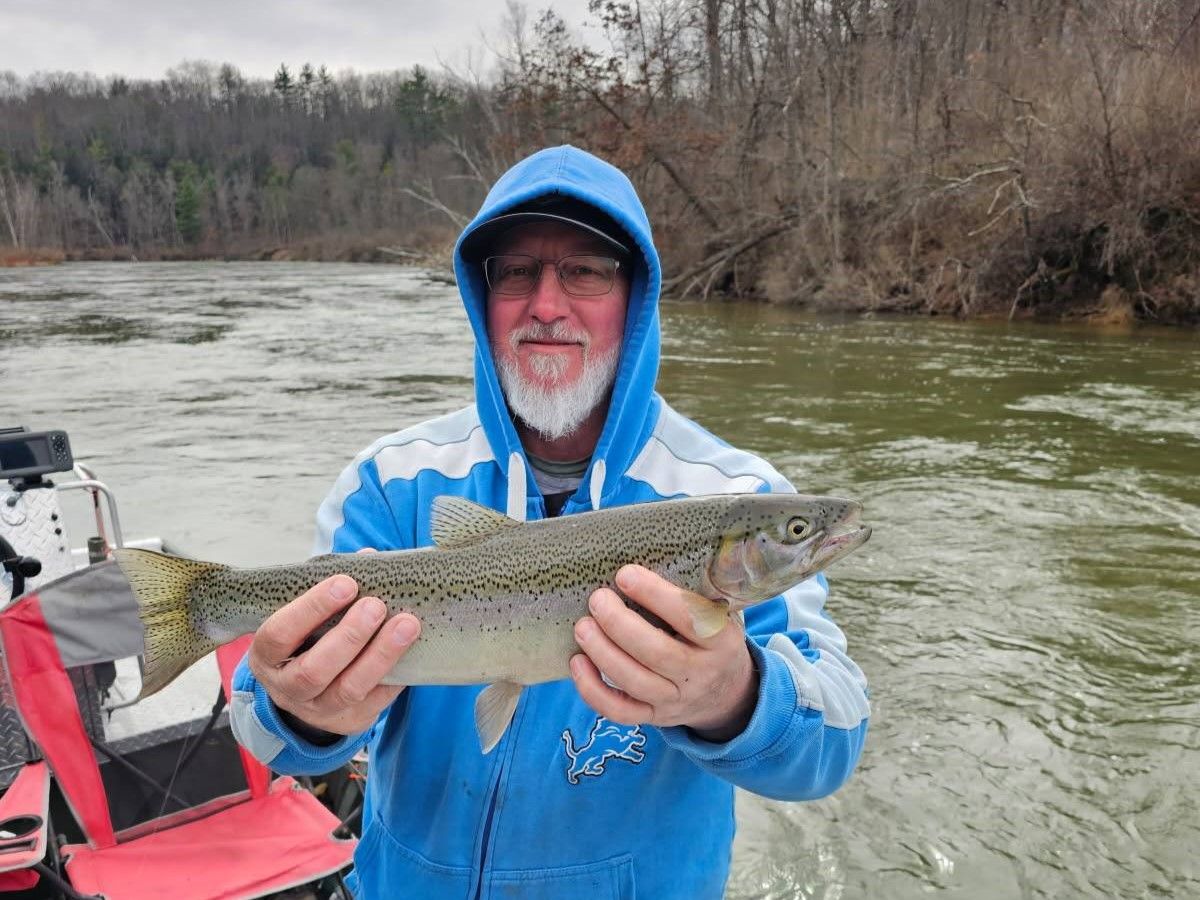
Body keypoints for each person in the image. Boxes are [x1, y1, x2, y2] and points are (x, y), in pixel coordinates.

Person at [230, 145, 869, 899]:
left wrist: (732, 696)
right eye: (517, 273)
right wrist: (302, 713)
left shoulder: (731, 490)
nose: (546, 305)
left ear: (635, 299)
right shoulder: (392, 482)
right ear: (483, 296)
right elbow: (263, 736)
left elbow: (834, 744)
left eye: (585, 272)